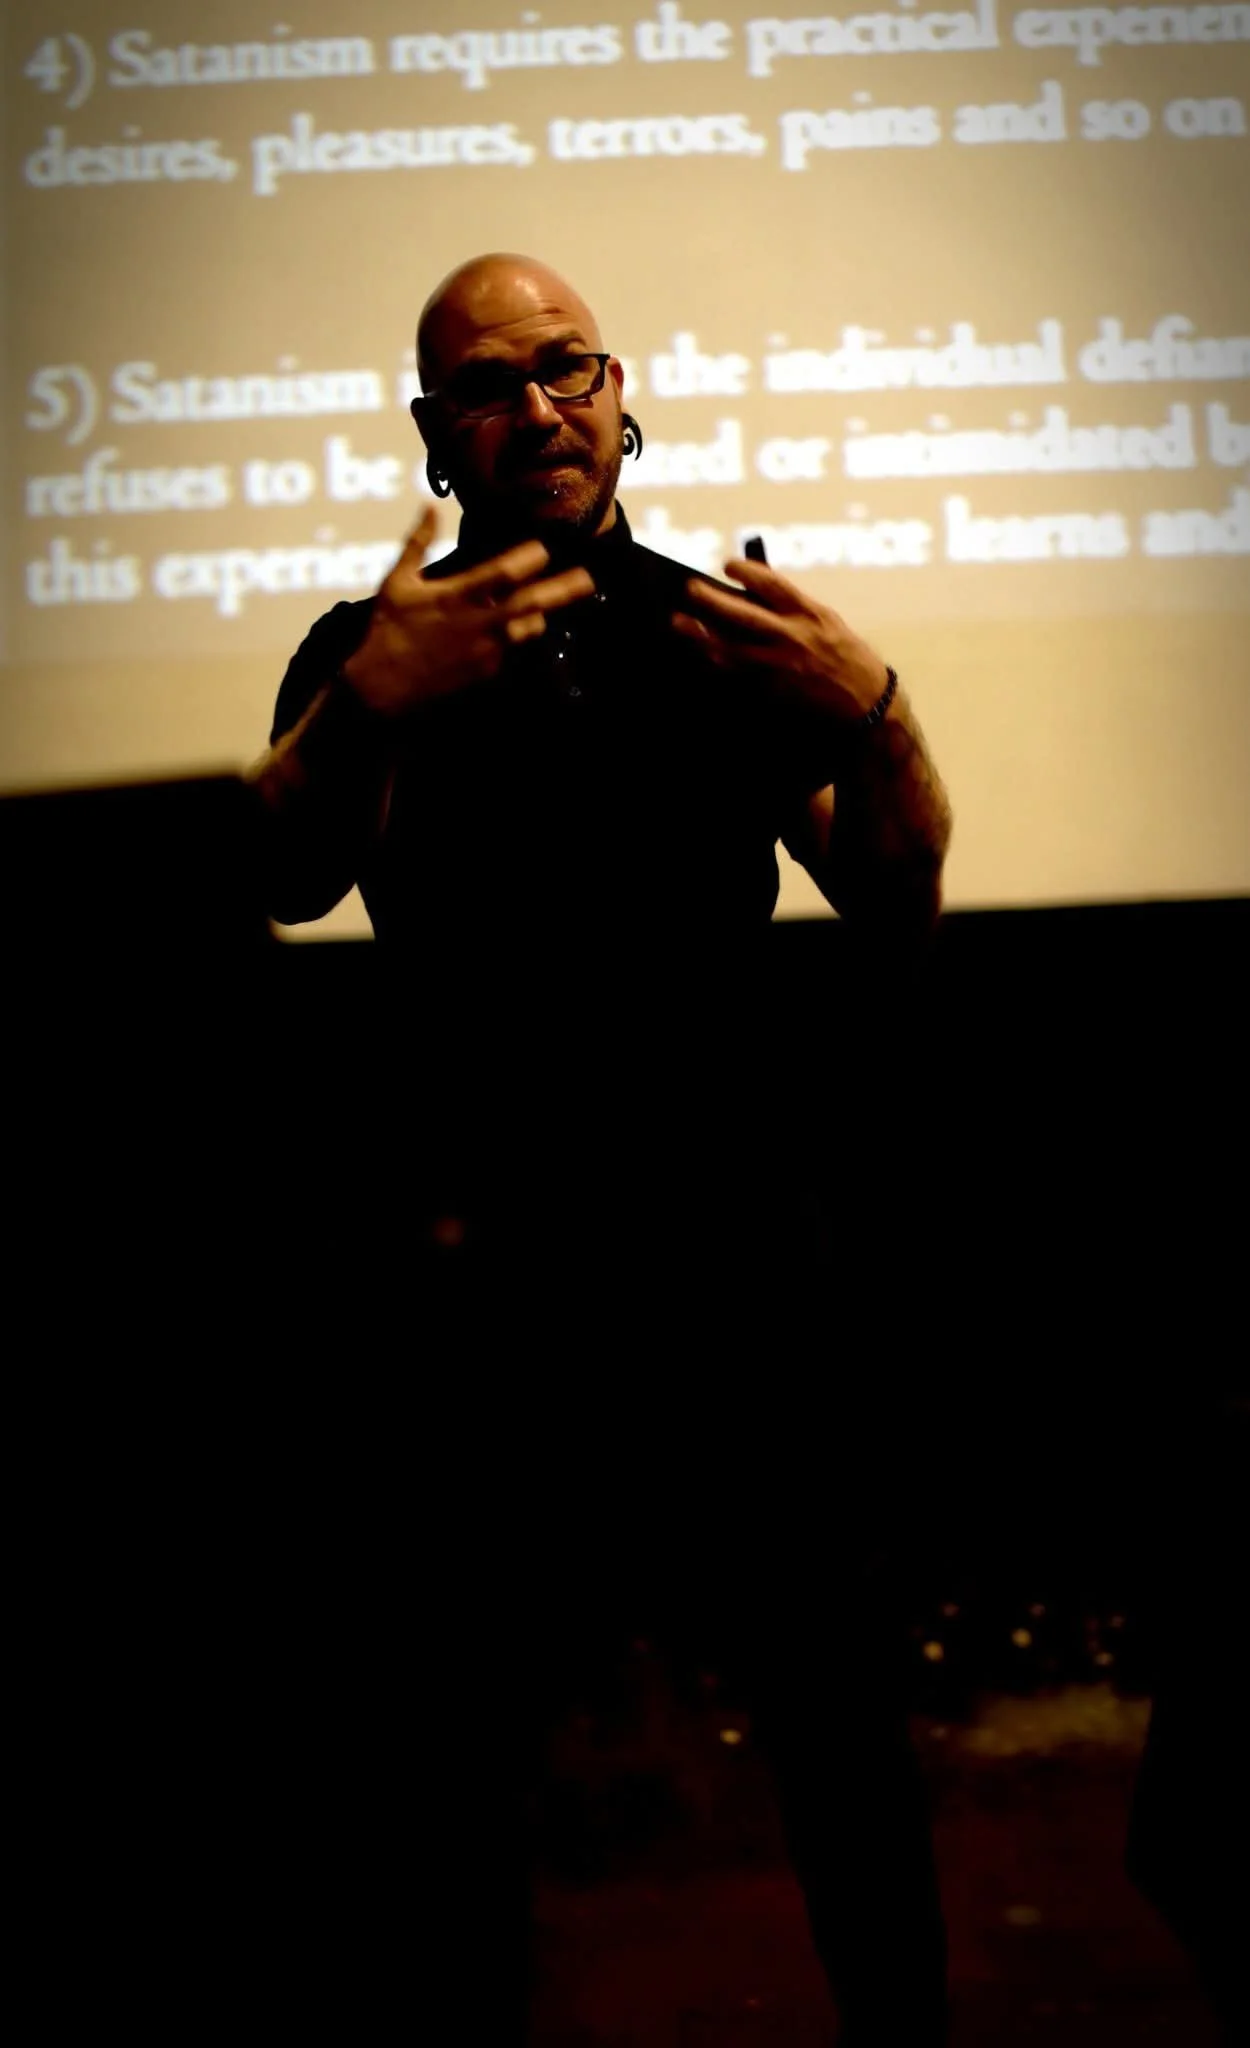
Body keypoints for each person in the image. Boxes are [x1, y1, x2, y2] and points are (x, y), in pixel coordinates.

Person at [247, 253, 955, 2046]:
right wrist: (363, 709)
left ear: (619, 387)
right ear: (436, 436)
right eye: (488, 385)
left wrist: (879, 707)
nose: (536, 407)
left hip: (732, 1263)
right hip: (488, 1287)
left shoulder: (713, 634)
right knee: (449, 1750)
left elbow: (892, 886)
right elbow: (271, 875)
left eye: (564, 369)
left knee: (834, 1728)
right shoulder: (368, 654)